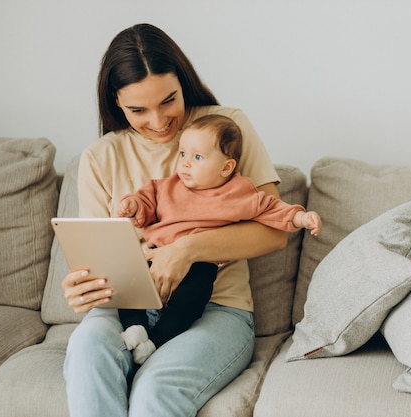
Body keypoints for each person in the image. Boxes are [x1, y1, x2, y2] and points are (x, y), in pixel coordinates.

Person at [60, 23, 294, 417]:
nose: (158, 120)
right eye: (137, 110)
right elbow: (98, 256)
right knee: (86, 350)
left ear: (183, 83)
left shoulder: (226, 127)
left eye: (168, 100)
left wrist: (187, 249)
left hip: (216, 308)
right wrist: (83, 287)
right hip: (127, 308)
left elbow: (276, 232)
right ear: (116, 103)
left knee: (156, 387)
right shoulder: (100, 157)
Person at [116, 114, 321, 365]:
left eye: (197, 157)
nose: (186, 164)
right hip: (157, 254)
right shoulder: (167, 186)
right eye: (182, 154)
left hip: (200, 264)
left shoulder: (237, 192)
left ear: (226, 167)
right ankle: (134, 326)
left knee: (190, 302)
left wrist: (300, 218)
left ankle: (155, 341)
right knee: (130, 287)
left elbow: (270, 209)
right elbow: (146, 202)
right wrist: (133, 206)